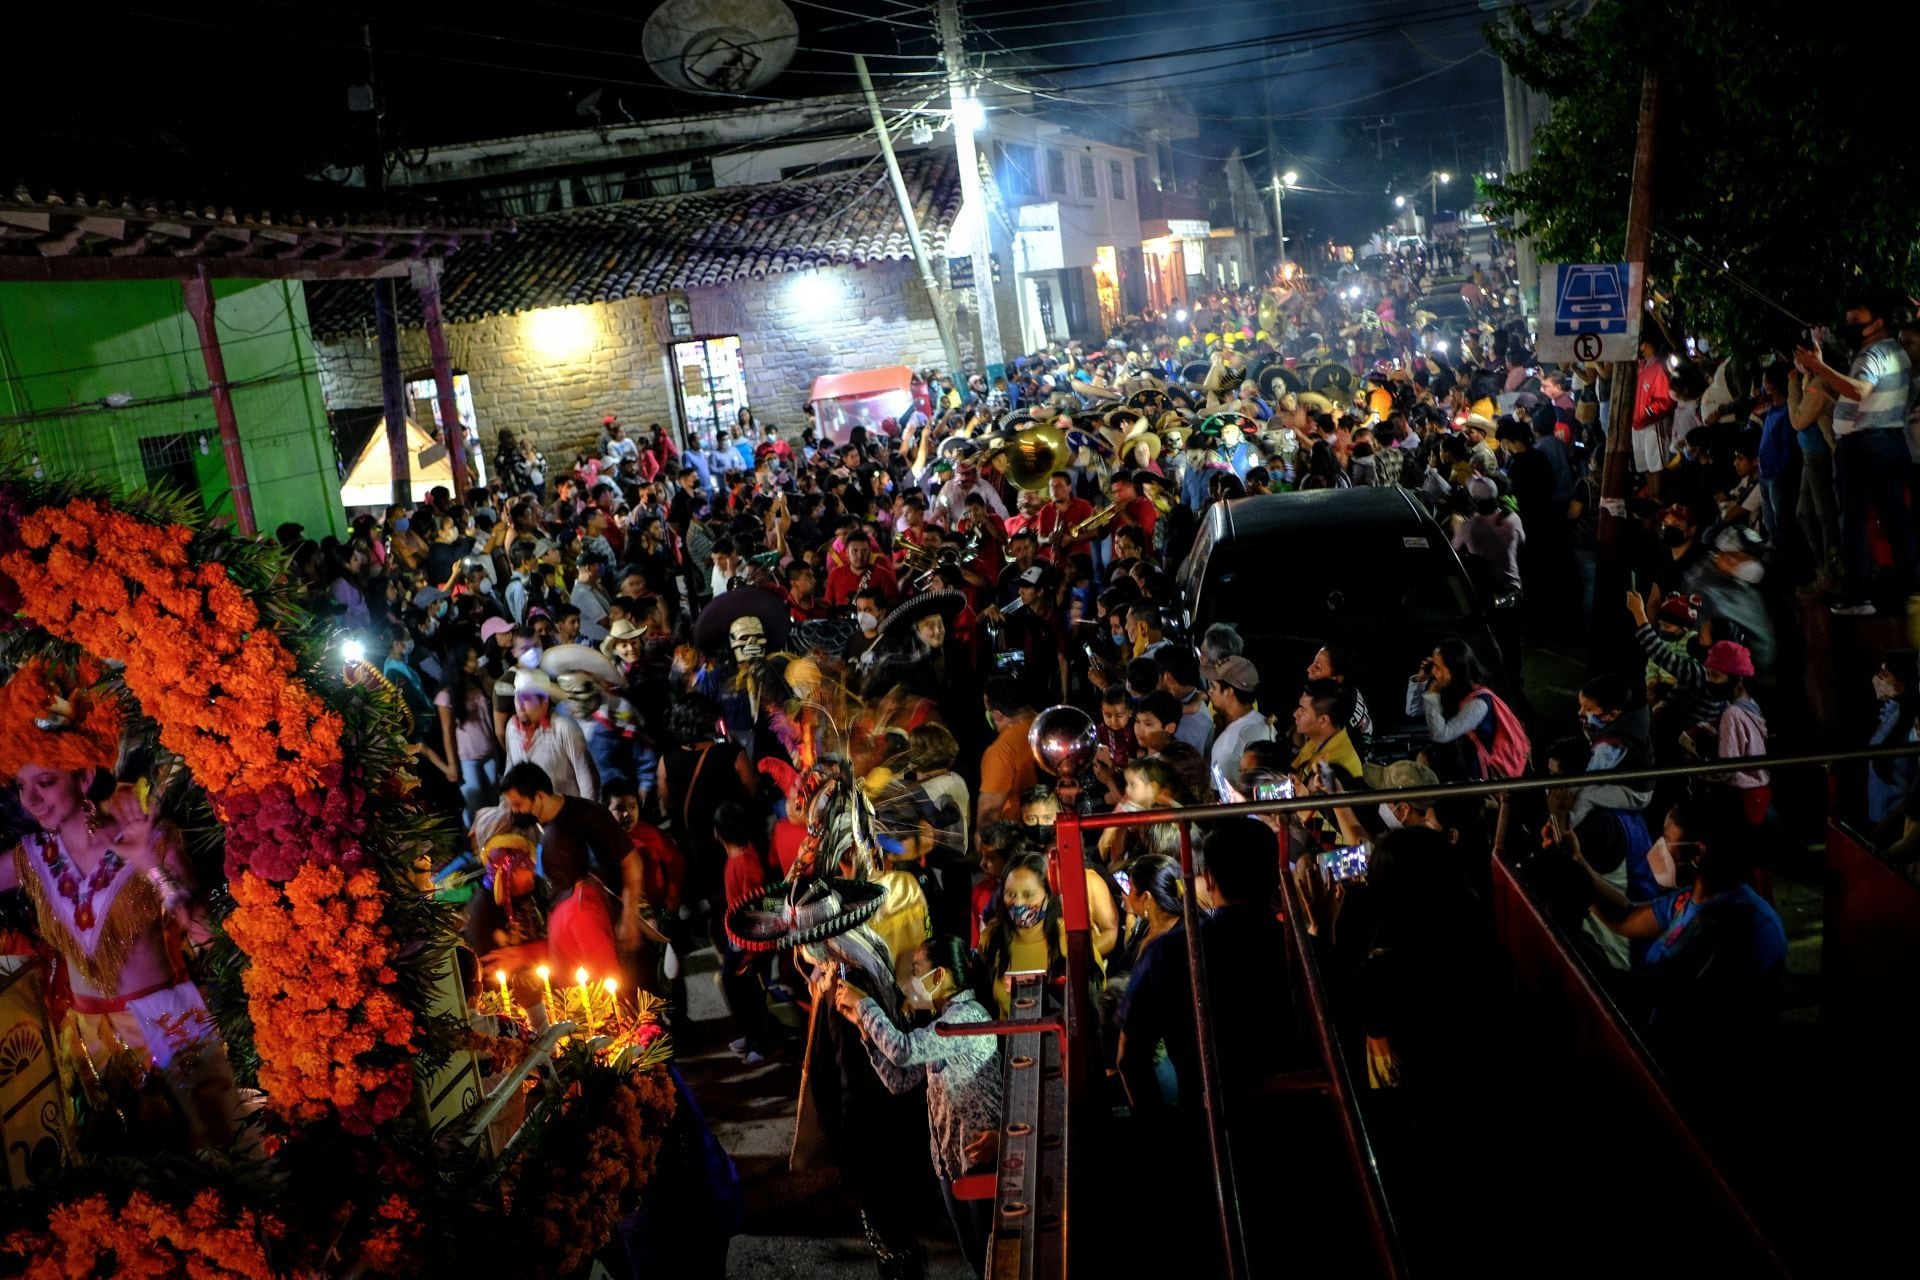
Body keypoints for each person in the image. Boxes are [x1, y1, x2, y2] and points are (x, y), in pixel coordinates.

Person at [829, 935, 1002, 1276]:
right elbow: (900, 1081)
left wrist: (865, 1006)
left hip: (979, 1158)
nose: (911, 983)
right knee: (975, 1255)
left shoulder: (965, 1019)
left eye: (916, 971)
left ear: (938, 976)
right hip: (951, 1161)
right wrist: (866, 1032)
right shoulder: (940, 1024)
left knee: (992, 1258)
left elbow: (903, 1050)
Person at [1796, 293, 1914, 616]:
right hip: (1889, 442)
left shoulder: (1874, 354)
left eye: (1854, 319)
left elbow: (1860, 390)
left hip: (1863, 446)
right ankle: (1909, 591)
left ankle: (1858, 597)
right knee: (1895, 520)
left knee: (1854, 522)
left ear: (1877, 322)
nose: (1847, 324)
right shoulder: (1896, 354)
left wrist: (1819, 367)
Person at [1405, 638, 1530, 778]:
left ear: (1455, 669)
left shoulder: (1478, 703)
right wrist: (1420, 680)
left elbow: (1441, 735)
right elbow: (1413, 710)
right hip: (1463, 762)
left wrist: (1433, 694)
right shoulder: (1452, 688)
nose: (1434, 671)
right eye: (1433, 664)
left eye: (1439, 667)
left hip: (1484, 773)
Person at [503, 671, 598, 801]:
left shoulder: (563, 728)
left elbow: (585, 774)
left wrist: (588, 814)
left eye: (526, 699)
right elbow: (510, 767)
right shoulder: (511, 728)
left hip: (564, 814)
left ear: (544, 702)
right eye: (516, 698)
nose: (520, 706)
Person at [436, 642, 501, 825]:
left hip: (489, 752)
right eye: (473, 659)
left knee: (493, 802)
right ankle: (473, 844)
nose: (477, 662)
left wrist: (484, 676)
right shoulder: (446, 696)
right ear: (461, 663)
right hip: (467, 759)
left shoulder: (476, 682)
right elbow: (447, 732)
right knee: (476, 808)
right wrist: (452, 765)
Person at [1205, 656, 1274, 798]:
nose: (1209, 692)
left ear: (1229, 692)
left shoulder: (1238, 739)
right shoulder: (1256, 723)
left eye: (1213, 686)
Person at [976, 678, 1038, 833]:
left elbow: (989, 812)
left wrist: (987, 851)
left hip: (1023, 835)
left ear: (996, 715)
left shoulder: (1001, 750)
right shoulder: (1050, 724)